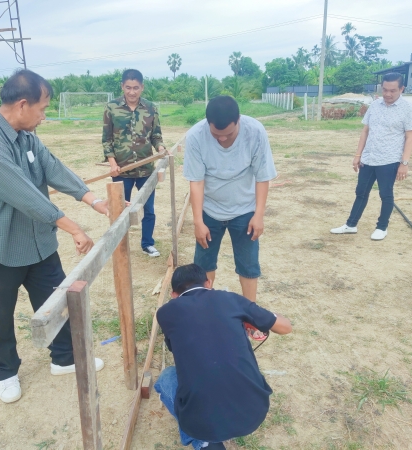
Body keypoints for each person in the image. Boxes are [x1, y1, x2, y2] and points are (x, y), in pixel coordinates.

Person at [0, 69, 108, 404]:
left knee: (57, 300)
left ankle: (64, 358)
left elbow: (53, 168)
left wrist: (94, 200)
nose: (43, 116)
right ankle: (6, 372)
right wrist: (74, 227)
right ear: (23, 105)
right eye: (42, 109)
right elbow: (24, 195)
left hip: (37, 241)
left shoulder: (27, 137)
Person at [155, 264, 292, 450]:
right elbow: (286, 327)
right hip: (254, 411)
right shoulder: (231, 299)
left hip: (202, 423)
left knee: (166, 378)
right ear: (208, 283)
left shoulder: (165, 313)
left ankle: (204, 442)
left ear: (173, 295)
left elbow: (176, 349)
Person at [183, 95, 276, 339]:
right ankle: (204, 315)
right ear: (207, 124)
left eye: (228, 134)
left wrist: (258, 214)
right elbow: (196, 181)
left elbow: (262, 176)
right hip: (210, 210)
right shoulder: (196, 136)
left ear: (238, 121)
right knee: (203, 265)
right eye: (216, 135)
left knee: (248, 264)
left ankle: (251, 318)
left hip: (245, 210)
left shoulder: (255, 132)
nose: (222, 139)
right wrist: (198, 221)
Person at [330, 72, 412, 240]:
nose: (388, 94)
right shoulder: (375, 105)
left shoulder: (408, 108)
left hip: (389, 159)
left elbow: (410, 136)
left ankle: (382, 227)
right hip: (369, 158)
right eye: (385, 90)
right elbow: (365, 131)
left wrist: (404, 163)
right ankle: (351, 225)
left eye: (392, 90)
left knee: (385, 194)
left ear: (401, 89)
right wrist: (358, 155)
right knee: (361, 192)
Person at [102, 69, 165, 257]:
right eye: (128, 87)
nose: (132, 92)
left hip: (146, 169)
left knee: (148, 209)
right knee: (119, 210)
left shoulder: (151, 108)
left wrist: (160, 148)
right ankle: (119, 246)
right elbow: (107, 139)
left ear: (142, 87)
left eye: (136, 88)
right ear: (122, 86)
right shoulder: (111, 108)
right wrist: (112, 163)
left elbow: (156, 136)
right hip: (122, 170)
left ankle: (147, 244)